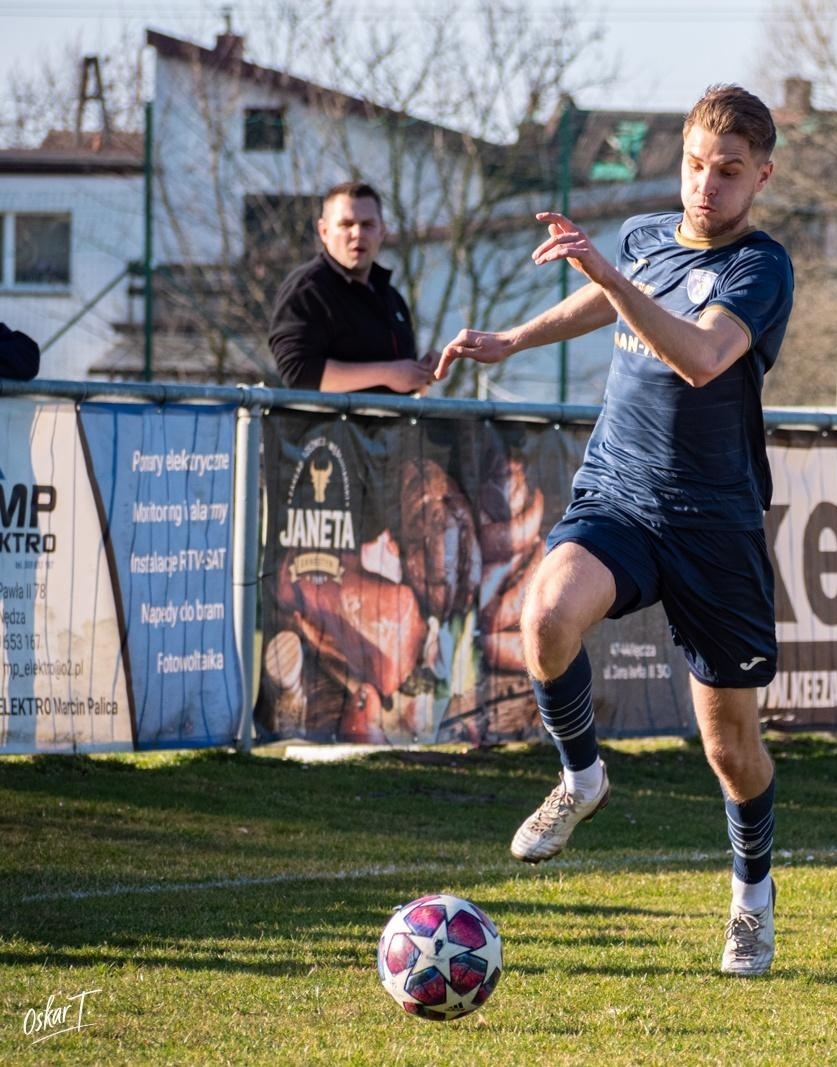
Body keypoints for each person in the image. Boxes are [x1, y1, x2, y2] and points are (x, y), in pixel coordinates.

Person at [434, 85, 794, 975]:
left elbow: (702, 356)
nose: (707, 187)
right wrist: (514, 338)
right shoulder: (641, 238)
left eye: (730, 172)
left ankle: (752, 899)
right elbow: (603, 307)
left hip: (714, 523)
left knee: (730, 749)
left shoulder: (761, 266)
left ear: (762, 177)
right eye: (696, 167)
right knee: (546, 615)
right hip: (621, 493)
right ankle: (581, 775)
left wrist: (609, 277)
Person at [268, 181, 435, 394]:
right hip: (326, 428)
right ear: (324, 231)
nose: (357, 233)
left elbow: (398, 379)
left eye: (367, 225)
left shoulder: (392, 297)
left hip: (391, 427)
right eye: (346, 224)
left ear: (382, 232)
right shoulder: (307, 290)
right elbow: (297, 373)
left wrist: (423, 371)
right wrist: (387, 373)